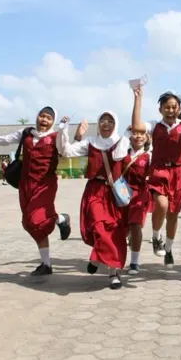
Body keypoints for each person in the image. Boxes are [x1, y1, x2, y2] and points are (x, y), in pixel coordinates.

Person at [131, 47, 181, 268]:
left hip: (179, 172)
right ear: (161, 108)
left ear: (179, 109)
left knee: (173, 215)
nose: (170, 110)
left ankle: (169, 250)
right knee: (161, 206)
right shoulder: (155, 126)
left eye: (174, 107)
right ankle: (156, 236)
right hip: (158, 171)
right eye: (167, 107)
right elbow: (137, 125)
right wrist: (138, 97)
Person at [0, 107, 71, 276]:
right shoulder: (26, 132)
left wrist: (64, 131)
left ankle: (61, 219)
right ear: (37, 116)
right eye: (42, 115)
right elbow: (4, 139)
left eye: (49, 118)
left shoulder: (56, 136)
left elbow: (64, 150)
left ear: (53, 122)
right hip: (25, 184)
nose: (44, 120)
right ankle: (46, 264)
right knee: (29, 223)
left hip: (45, 184)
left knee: (37, 220)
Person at [59, 111, 130, 289]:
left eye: (111, 120)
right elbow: (66, 152)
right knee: (98, 226)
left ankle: (112, 272)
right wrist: (64, 130)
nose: (106, 124)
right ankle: (99, 256)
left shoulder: (122, 141)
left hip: (114, 193)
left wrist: (126, 136)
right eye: (102, 120)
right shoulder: (90, 142)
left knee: (115, 233)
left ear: (116, 123)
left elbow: (118, 156)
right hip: (95, 191)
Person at [121, 120, 152, 275]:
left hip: (140, 195)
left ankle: (134, 262)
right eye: (135, 133)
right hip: (122, 195)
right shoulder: (122, 154)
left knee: (136, 226)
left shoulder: (149, 156)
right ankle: (116, 257)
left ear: (147, 137)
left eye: (142, 133)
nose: (138, 136)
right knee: (123, 228)